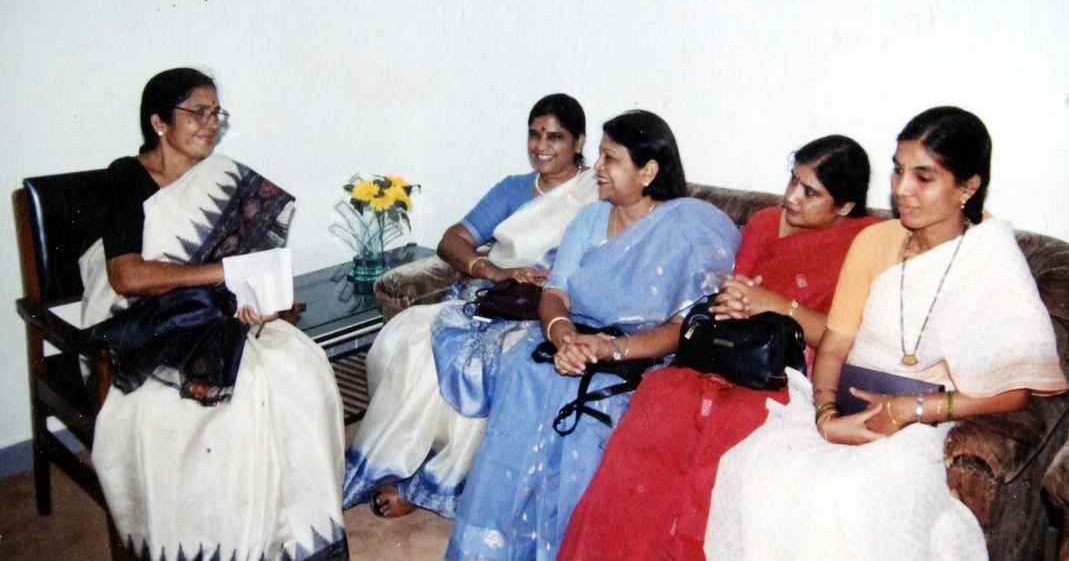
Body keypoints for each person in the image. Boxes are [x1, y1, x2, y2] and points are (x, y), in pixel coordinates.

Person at [704, 107, 1068, 559]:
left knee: (851, 498)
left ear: (968, 187)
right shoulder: (874, 241)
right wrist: (827, 416)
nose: (901, 189)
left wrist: (911, 409)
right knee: (760, 470)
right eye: (897, 171)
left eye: (923, 177)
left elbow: (1014, 393)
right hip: (839, 407)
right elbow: (834, 346)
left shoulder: (990, 257)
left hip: (920, 425)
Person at [559, 135, 880, 560]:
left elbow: (843, 336)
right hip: (722, 354)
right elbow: (728, 291)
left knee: (721, 448)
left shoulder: (864, 242)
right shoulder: (764, 222)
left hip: (781, 374)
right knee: (656, 407)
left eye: (810, 192)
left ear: (845, 206)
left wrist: (776, 305)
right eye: (792, 181)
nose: (792, 197)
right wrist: (735, 301)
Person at [444, 110, 741, 560]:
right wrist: (562, 336)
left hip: (638, 357)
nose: (597, 167)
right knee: (526, 372)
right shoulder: (589, 219)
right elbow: (555, 293)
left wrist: (611, 349)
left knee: (589, 413)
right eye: (599, 155)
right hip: (574, 341)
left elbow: (685, 328)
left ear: (648, 171)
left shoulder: (685, 228)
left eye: (610, 158)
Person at [80, 68, 347, 560]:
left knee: (299, 369)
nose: (211, 123)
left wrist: (255, 294)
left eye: (216, 113)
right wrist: (221, 272)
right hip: (148, 323)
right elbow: (125, 276)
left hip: (220, 314)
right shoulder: (127, 176)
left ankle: (287, 539)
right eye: (197, 112)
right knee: (221, 406)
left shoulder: (223, 176)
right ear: (159, 122)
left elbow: (249, 266)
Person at [342, 93, 598, 519]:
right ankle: (402, 463)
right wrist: (493, 270)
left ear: (579, 142)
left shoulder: (596, 194)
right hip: (492, 298)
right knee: (411, 337)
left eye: (555, 136)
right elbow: (452, 240)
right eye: (534, 135)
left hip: (546, 311)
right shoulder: (513, 188)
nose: (541, 146)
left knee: (480, 361)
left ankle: (433, 484)